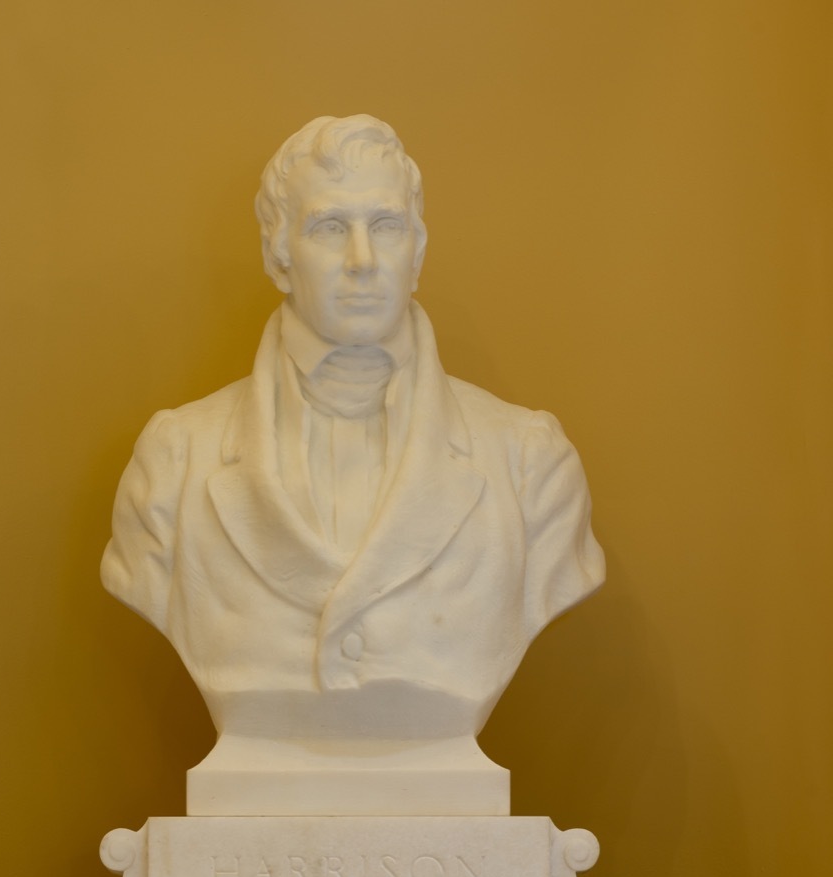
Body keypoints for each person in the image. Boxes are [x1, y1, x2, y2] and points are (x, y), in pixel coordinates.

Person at [101, 115, 604, 743]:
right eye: (330, 228)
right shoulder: (176, 462)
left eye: (386, 227)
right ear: (278, 255)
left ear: (416, 253)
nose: (362, 261)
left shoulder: (530, 464)